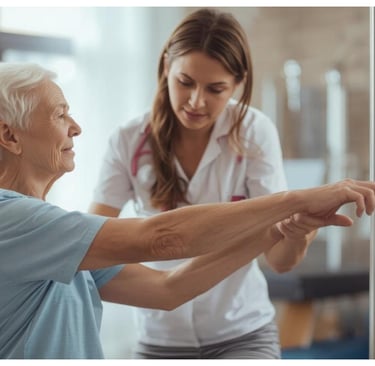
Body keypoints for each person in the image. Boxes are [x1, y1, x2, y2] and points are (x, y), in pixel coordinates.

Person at [0, 65, 373, 361]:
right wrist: (295, 200)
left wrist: (277, 228)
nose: (76, 127)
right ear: (10, 136)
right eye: (60, 114)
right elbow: (163, 239)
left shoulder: (54, 230)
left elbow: (168, 288)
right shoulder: (11, 220)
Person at [88, 8, 372, 359]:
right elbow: (97, 243)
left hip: (243, 333)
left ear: (238, 83)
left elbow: (281, 261)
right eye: (185, 82)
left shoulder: (255, 132)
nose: (196, 101)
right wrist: (151, 287)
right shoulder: (128, 140)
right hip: (160, 337)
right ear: (165, 67)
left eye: (215, 89)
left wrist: (297, 230)